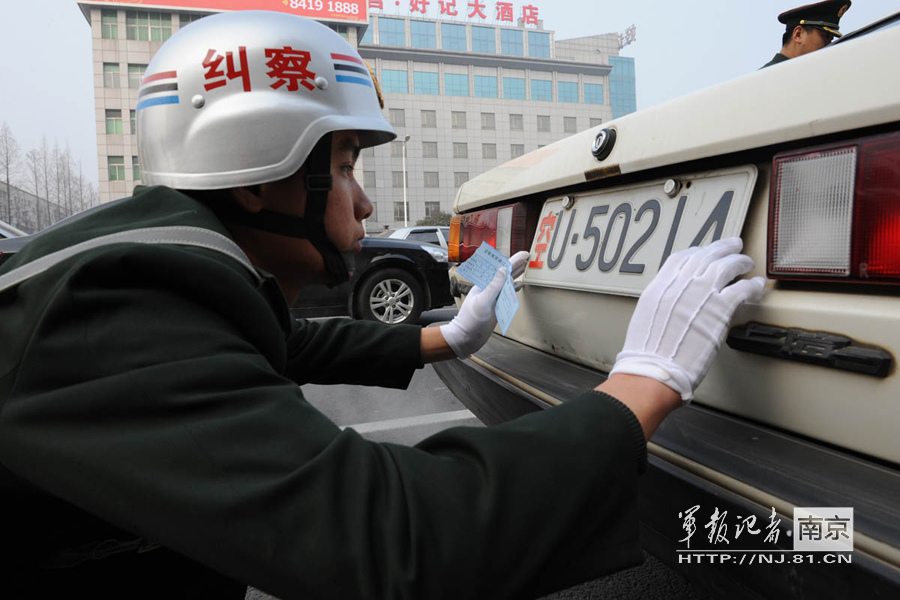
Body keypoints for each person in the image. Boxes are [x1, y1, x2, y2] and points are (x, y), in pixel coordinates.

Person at [0, 10, 765, 600]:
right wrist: (642, 383)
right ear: (258, 176)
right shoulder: (117, 308)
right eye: (343, 165)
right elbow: (396, 545)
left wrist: (444, 342)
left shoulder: (154, 266)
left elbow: (281, 339)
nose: (364, 201)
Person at [761, 0, 851, 68]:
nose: (829, 45)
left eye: (831, 39)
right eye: (825, 36)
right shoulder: (764, 80)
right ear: (798, 34)